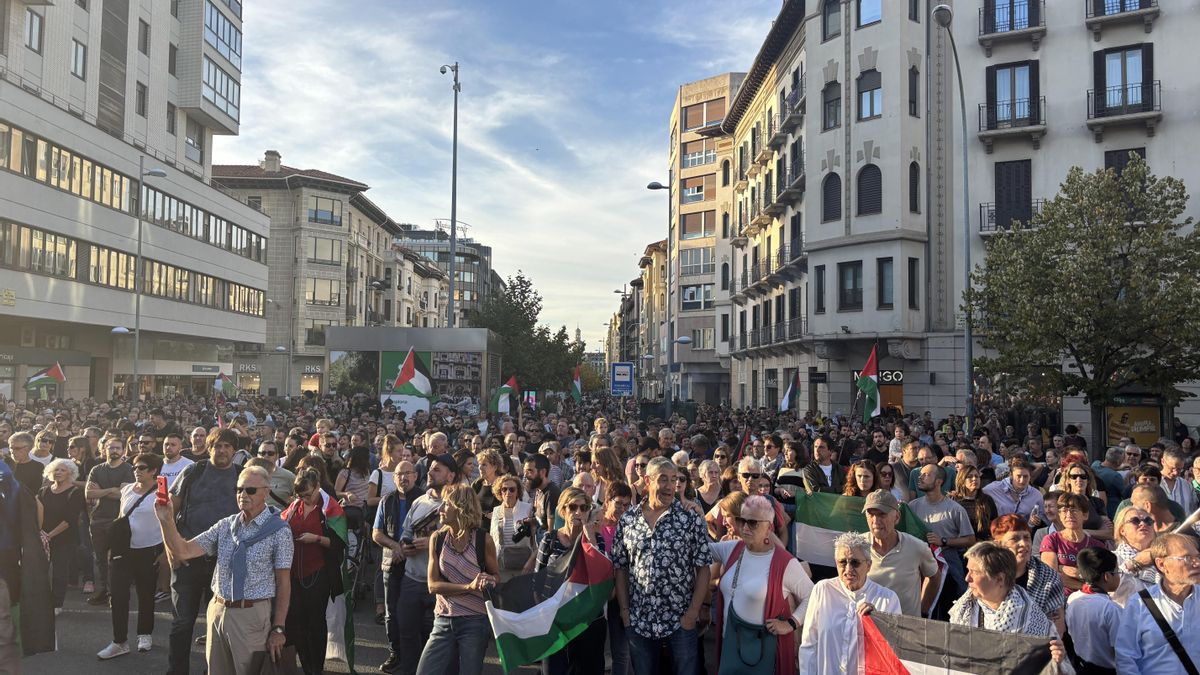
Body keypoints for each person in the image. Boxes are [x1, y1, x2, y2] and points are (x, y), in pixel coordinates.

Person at [154, 465, 294, 674]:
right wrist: (165, 520)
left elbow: (284, 583)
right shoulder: (226, 526)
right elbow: (183, 551)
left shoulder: (279, 531)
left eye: (250, 490)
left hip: (251, 615)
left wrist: (279, 628)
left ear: (266, 492)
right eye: (238, 489)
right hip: (218, 610)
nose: (243, 495)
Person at [612, 456, 712, 675]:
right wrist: (625, 611)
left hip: (680, 620)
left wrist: (693, 612)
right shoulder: (628, 520)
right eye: (663, 479)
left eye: (674, 479)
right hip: (639, 619)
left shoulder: (690, 518)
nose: (670, 486)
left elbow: (703, 567)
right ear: (647, 481)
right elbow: (620, 568)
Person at [708, 495, 812, 675]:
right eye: (741, 521)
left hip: (763, 654)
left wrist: (791, 623)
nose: (745, 527)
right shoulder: (731, 548)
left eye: (753, 523)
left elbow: (812, 595)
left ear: (769, 527)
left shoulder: (784, 562)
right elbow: (696, 548)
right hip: (730, 648)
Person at [165, 428, 240, 675]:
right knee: (182, 623)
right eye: (218, 446)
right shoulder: (193, 471)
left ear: (234, 451)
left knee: (218, 626)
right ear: (209, 448)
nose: (222, 450)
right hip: (188, 559)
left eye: (228, 446)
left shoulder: (241, 477)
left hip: (224, 561)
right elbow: (168, 512)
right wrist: (171, 550)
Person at [414, 483, 499, 675]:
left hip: (475, 621)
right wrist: (469, 586)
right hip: (443, 619)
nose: (440, 509)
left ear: (461, 508)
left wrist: (489, 580)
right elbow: (432, 585)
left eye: (446, 504)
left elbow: (496, 575)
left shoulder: (483, 540)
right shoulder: (437, 538)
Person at [391, 453, 458, 675]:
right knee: (408, 633)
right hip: (412, 579)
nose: (430, 472)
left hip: (442, 584)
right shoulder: (420, 501)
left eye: (437, 469)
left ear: (451, 476)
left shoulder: (458, 503)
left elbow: (463, 538)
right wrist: (405, 545)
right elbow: (406, 532)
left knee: (441, 641)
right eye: (430, 468)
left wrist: (431, 542)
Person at [799, 532, 901, 673]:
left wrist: (879, 620)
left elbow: (895, 654)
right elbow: (809, 645)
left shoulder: (887, 599)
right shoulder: (822, 590)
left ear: (869, 565)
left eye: (855, 563)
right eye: (842, 562)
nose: (848, 569)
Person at [950, 542, 1065, 665]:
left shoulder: (1033, 624)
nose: (967, 578)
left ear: (1000, 579)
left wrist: (1055, 661)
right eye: (968, 570)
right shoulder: (964, 610)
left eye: (975, 572)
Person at [97, 452, 164, 659]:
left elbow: (167, 523)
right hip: (123, 551)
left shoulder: (161, 493)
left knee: (145, 595)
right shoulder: (126, 489)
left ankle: (145, 634)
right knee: (118, 596)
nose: (137, 471)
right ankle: (119, 641)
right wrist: (112, 546)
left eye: (142, 468)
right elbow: (121, 518)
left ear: (153, 471)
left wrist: (164, 553)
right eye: (135, 467)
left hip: (149, 551)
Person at [534, 487, 608, 675]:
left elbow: (602, 577)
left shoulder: (596, 539)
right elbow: (537, 580)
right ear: (563, 511)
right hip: (556, 620)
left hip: (588, 621)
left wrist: (589, 534)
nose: (578, 512)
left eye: (584, 508)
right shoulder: (549, 539)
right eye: (573, 507)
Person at [281, 469, 345, 675]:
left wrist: (316, 538)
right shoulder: (294, 506)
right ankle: (306, 665)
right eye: (300, 495)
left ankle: (316, 668)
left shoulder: (330, 508)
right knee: (297, 623)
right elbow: (282, 525)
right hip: (294, 575)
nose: (305, 499)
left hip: (318, 574)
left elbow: (339, 543)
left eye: (308, 494)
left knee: (315, 623)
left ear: (318, 487)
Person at [1114, 532, 1200, 674]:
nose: (1197, 563)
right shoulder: (1140, 603)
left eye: (1197, 557)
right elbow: (1126, 657)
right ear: (1161, 564)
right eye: (1187, 558)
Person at [909, 464, 976, 609]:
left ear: (939, 481)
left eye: (926, 475)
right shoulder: (913, 507)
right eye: (921, 474)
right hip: (920, 571)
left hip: (948, 572)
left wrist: (944, 541)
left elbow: (970, 539)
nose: (920, 477)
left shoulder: (955, 509)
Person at [864, 490, 939, 617]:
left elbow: (934, 577)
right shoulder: (858, 547)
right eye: (871, 515)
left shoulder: (917, 547)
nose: (875, 521)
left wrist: (922, 610)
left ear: (897, 517)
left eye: (882, 515)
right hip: (868, 629)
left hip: (906, 630)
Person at [989, 515, 1064, 633]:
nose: (1024, 544)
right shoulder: (985, 575)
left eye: (1027, 537)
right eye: (1015, 539)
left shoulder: (1048, 577)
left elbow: (1058, 627)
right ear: (998, 544)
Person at [85, 435, 135, 606]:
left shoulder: (128, 469)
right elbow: (89, 494)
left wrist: (103, 491)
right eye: (110, 447)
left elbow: (123, 494)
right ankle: (103, 591)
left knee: (117, 559)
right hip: (98, 519)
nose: (114, 451)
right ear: (103, 449)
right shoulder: (96, 469)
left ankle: (116, 593)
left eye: (117, 448)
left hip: (119, 519)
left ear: (123, 450)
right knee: (99, 558)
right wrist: (112, 489)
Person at [36, 458, 85, 614]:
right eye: (56, 469)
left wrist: (49, 535)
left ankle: (57, 604)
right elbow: (38, 513)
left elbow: (70, 520)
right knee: (40, 571)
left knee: (59, 572)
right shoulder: (44, 491)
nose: (58, 472)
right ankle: (42, 600)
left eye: (62, 470)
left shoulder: (75, 492)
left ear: (70, 473)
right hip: (43, 536)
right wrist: (40, 532)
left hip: (64, 538)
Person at [596, 481, 632, 675]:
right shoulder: (595, 524)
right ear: (607, 501)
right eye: (618, 503)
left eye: (627, 505)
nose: (622, 509)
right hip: (597, 594)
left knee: (621, 650)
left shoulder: (630, 527)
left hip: (621, 595)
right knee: (595, 649)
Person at [1065, 547, 1121, 674]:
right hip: (1107, 670)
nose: (1119, 576)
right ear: (1107, 576)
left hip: (1081, 666)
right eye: (1117, 572)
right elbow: (1121, 649)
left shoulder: (1072, 598)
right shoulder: (1111, 609)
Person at [1039, 492, 1107, 594]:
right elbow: (1050, 576)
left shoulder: (1097, 546)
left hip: (1091, 599)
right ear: (1060, 515)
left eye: (1074, 510)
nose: (1069, 515)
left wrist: (1062, 568)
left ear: (1085, 515)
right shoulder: (1051, 540)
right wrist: (1084, 585)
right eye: (1064, 511)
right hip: (1060, 598)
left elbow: (1103, 580)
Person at [489, 473, 535, 583]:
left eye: (512, 489)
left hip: (524, 564)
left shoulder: (527, 508)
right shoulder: (496, 511)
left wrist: (532, 562)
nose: (508, 493)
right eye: (504, 489)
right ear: (500, 492)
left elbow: (534, 540)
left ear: (518, 492)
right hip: (502, 565)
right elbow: (492, 539)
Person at [1113, 506, 1160, 585]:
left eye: (1148, 521)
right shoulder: (1112, 558)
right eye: (1135, 521)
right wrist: (1135, 563)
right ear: (1122, 530)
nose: (1143, 524)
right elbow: (1110, 588)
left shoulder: (1164, 558)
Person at [949, 464, 998, 540]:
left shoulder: (987, 500)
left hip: (982, 543)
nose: (974, 479)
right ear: (961, 480)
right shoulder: (952, 500)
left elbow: (994, 523)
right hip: (959, 544)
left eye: (977, 476)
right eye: (970, 476)